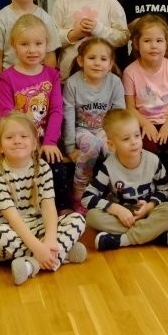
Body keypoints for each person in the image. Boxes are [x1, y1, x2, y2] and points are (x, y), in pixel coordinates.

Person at [0, 113, 88, 286]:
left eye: (24, 136)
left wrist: (49, 239)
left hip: (39, 226)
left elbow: (49, 207)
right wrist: (39, 248)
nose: (17, 141)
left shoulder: (42, 168)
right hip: (12, 229)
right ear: (0, 147)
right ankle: (61, 253)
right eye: (9, 137)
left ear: (34, 144)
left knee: (77, 219)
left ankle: (32, 265)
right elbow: (13, 219)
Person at [0, 15, 69, 200]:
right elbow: (7, 115)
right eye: (24, 44)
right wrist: (27, 142)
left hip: (46, 138)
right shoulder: (7, 78)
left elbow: (56, 111)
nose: (32, 50)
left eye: (38, 44)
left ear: (46, 44)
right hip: (19, 139)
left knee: (54, 165)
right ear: (14, 46)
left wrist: (50, 142)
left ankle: (62, 207)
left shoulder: (52, 75)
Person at [83, 109, 168, 250]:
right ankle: (153, 234)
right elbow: (87, 197)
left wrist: (150, 206)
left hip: (149, 212)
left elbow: (166, 189)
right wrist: (116, 210)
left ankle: (123, 240)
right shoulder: (108, 167)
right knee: (92, 217)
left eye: (137, 135)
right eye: (126, 139)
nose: (134, 142)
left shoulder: (153, 161)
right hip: (123, 216)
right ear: (111, 145)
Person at [123, 14, 168, 179]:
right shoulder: (130, 72)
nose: (154, 46)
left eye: (159, 41)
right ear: (136, 43)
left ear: (167, 43)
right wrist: (145, 124)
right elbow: (130, 107)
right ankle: (150, 182)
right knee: (146, 148)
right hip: (143, 122)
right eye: (147, 41)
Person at [63, 37, 125, 212]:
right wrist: (69, 148)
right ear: (81, 61)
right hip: (82, 130)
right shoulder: (73, 83)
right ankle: (79, 193)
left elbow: (119, 116)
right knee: (92, 145)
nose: (97, 63)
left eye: (103, 59)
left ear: (110, 64)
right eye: (92, 58)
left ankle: (115, 191)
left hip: (106, 130)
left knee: (114, 150)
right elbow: (68, 116)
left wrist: (115, 139)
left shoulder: (115, 83)